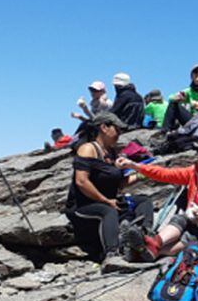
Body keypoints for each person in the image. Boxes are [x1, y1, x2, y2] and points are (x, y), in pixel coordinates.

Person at [116, 138, 198, 260]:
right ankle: (154, 245)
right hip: (192, 219)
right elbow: (165, 174)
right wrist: (135, 166)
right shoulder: (193, 173)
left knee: (191, 236)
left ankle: (147, 251)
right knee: (181, 219)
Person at [64, 111, 155, 263]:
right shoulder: (88, 149)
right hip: (83, 206)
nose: (119, 134)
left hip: (108, 200)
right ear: (104, 128)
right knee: (108, 211)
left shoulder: (112, 153)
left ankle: (142, 237)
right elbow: (81, 181)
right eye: (117, 129)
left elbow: (118, 184)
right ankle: (112, 255)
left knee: (143, 201)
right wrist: (105, 200)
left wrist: (142, 175)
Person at [162, 65, 198, 133]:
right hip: (192, 120)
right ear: (191, 76)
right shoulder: (189, 91)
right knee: (173, 103)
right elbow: (170, 98)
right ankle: (165, 132)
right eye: (196, 72)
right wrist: (178, 98)